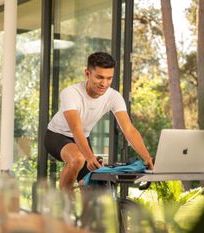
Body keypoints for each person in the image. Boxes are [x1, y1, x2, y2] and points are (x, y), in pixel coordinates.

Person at [44, 52, 153, 194]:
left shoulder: (113, 96)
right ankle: (64, 203)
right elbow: (76, 128)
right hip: (57, 136)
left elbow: (129, 129)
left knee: (91, 189)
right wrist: (89, 157)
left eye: (109, 78)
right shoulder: (70, 93)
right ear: (87, 73)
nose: (104, 83)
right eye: (99, 77)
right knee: (78, 158)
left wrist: (146, 157)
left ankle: (85, 215)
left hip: (83, 137)